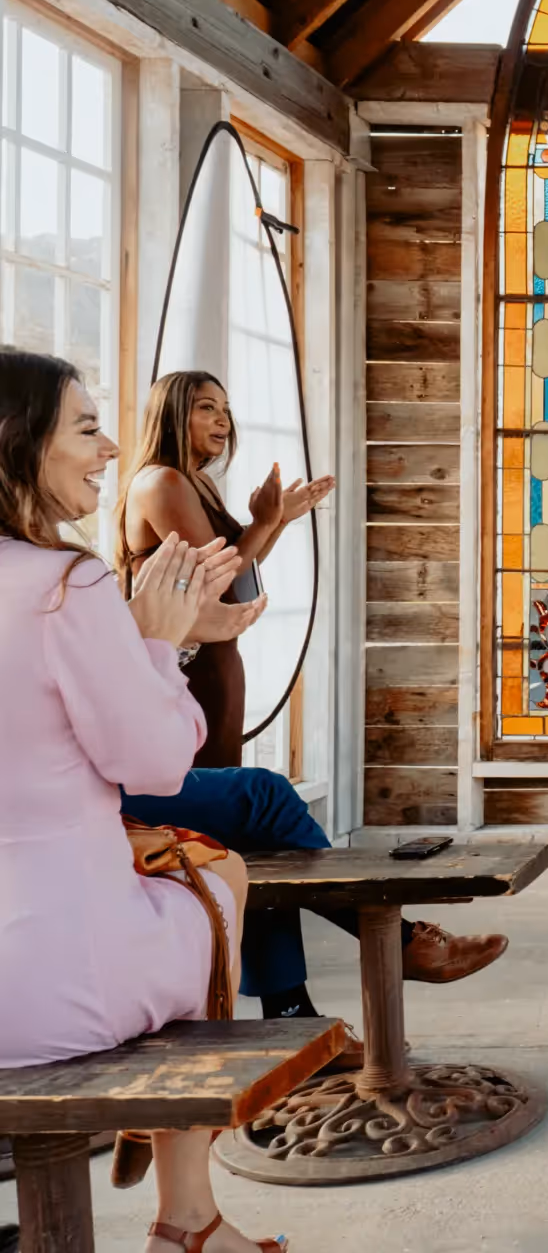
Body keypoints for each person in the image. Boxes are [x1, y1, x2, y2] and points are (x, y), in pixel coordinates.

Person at [0, 348, 287, 1252]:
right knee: (218, 880)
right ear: (17, 443)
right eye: (85, 427)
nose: (109, 445)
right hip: (45, 986)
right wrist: (158, 644)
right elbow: (156, 762)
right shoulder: (63, 585)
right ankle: (187, 1214)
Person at [120, 767, 510, 1044]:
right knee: (265, 794)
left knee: (255, 836)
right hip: (83, 791)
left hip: (82, 781)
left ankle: (292, 1019)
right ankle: (401, 940)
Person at [117, 370, 334, 766]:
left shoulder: (197, 482)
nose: (223, 420)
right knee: (201, 790)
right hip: (187, 661)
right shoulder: (162, 482)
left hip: (218, 656)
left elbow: (242, 565)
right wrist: (266, 522)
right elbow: (222, 574)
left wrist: (279, 519)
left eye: (226, 410)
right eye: (207, 408)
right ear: (172, 416)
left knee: (221, 782)